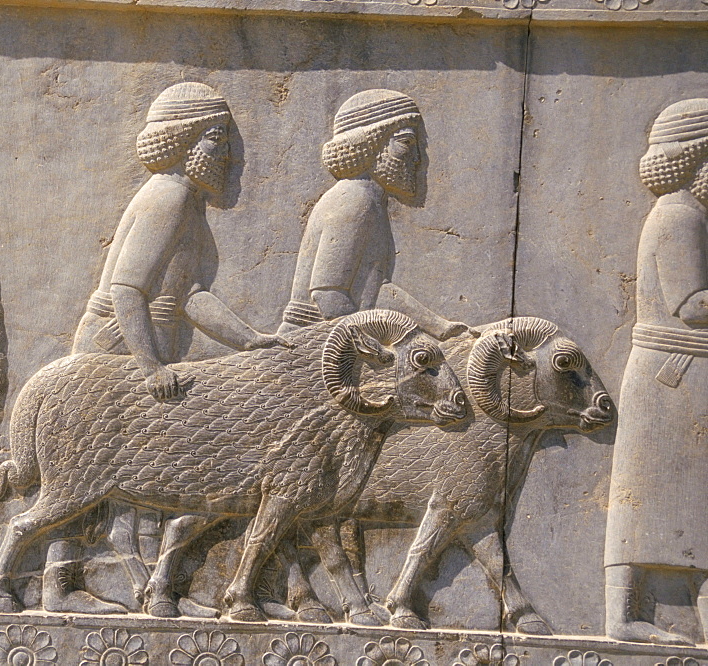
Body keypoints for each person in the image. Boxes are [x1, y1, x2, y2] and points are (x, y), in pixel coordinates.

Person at [44, 82, 287, 614]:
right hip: (120, 347)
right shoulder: (169, 194)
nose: (229, 154)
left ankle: (145, 589)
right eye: (218, 139)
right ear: (184, 142)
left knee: (136, 470)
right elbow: (128, 290)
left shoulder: (189, 205)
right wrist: (148, 365)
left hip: (147, 348)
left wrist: (251, 340)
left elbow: (190, 295)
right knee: (90, 465)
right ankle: (57, 588)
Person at [604, 98, 708, 646]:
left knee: (695, 502)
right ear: (699, 160)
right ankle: (622, 619)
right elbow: (691, 304)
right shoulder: (679, 213)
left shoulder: (690, 214)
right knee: (640, 499)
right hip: (672, 373)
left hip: (685, 372)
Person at [278, 89, 466, 341]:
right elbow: (328, 294)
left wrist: (440, 328)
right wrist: (368, 346)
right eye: (406, 143)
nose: (417, 158)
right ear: (367, 146)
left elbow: (375, 288)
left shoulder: (370, 201)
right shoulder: (355, 200)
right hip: (311, 345)